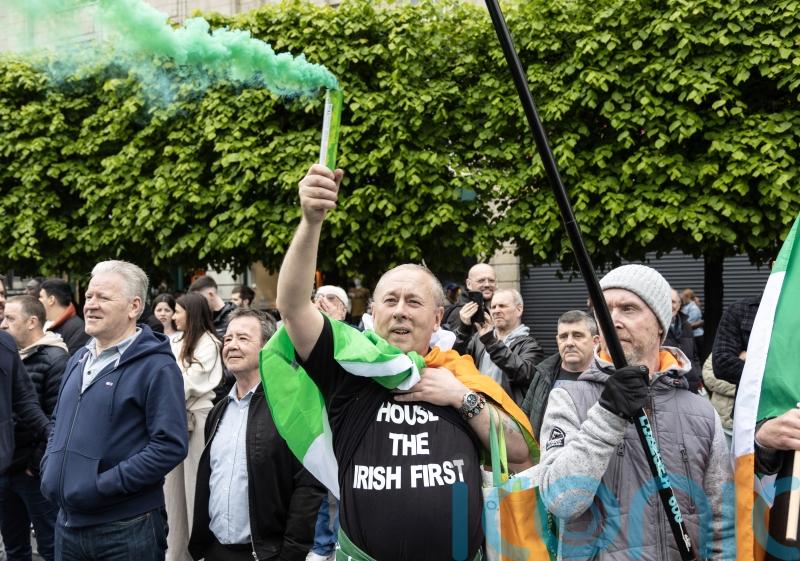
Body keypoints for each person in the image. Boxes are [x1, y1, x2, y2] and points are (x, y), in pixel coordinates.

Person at [276, 164, 532, 561]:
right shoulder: (347, 368)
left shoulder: (457, 373)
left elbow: (519, 455)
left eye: (413, 302)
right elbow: (292, 307)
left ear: (436, 319)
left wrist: (461, 398)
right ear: (373, 312)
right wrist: (311, 222)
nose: (400, 311)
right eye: (390, 301)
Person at [538, 264, 733, 560]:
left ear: (659, 323)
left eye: (628, 309)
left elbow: (722, 524)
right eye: (604, 309)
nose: (612, 320)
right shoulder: (569, 397)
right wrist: (607, 415)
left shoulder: (702, 412)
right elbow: (561, 501)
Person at [40, 260, 189, 561]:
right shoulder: (79, 358)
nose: (91, 305)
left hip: (125, 530)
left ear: (134, 306)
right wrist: (50, 468)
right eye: (90, 296)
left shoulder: (157, 366)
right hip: (68, 525)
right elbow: (58, 421)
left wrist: (101, 486)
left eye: (103, 298)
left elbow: (169, 445)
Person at [188, 309, 324, 561]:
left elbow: (309, 487)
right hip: (216, 550)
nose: (231, 346)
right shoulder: (219, 411)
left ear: (267, 347)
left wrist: (290, 554)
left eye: (242, 338)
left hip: (265, 553)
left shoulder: (289, 407)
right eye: (227, 339)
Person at [0, 296, 67, 561]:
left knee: (46, 546)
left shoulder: (6, 346)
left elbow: (27, 403)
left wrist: (46, 453)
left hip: (23, 470)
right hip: (11, 469)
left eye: (3, 298)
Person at [166, 293, 223, 561]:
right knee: (172, 492)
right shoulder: (174, 340)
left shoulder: (209, 342)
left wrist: (162, 392)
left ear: (192, 312)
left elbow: (188, 382)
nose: (173, 316)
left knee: (196, 488)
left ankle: (199, 552)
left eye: (177, 311)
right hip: (173, 419)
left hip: (198, 419)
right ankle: (176, 552)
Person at [454, 288, 543, 404]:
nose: (496, 311)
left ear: (519, 310)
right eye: (493, 307)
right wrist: (464, 329)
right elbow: (456, 360)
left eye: (502, 306)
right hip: (477, 409)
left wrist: (490, 341)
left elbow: (525, 375)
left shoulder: (530, 345)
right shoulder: (479, 339)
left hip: (509, 416)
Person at [521, 310, 600, 440]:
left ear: (596, 341)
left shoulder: (608, 379)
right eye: (563, 336)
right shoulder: (543, 375)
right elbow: (524, 420)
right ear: (557, 340)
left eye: (577, 335)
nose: (569, 343)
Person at [712, 296, 760, 386]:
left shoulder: (794, 313)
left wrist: (752, 358)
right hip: (753, 398)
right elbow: (721, 364)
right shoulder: (740, 309)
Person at [38, 278, 90, 355]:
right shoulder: (42, 324)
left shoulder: (78, 330)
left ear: (51, 300)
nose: (38, 300)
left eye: (41, 297)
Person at [664, 288, 701, 391]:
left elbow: (694, 355)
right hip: (668, 387)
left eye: (673, 302)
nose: (670, 305)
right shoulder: (654, 326)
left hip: (691, 385)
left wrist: (698, 375)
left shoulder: (686, 325)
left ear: (679, 305)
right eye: (666, 301)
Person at [442, 263, 497, 330]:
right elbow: (457, 340)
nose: (487, 284)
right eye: (481, 281)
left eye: (491, 280)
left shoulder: (489, 308)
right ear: (469, 284)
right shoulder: (462, 312)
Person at [188, 276, 236, 340]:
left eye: (199, 298)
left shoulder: (235, 317)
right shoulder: (203, 318)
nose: (197, 302)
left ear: (211, 294)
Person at [681, 288, 705, 358]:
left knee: (696, 355)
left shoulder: (693, 308)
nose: (682, 299)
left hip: (697, 336)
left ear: (687, 297)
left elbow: (689, 322)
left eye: (683, 297)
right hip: (692, 335)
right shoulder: (688, 307)